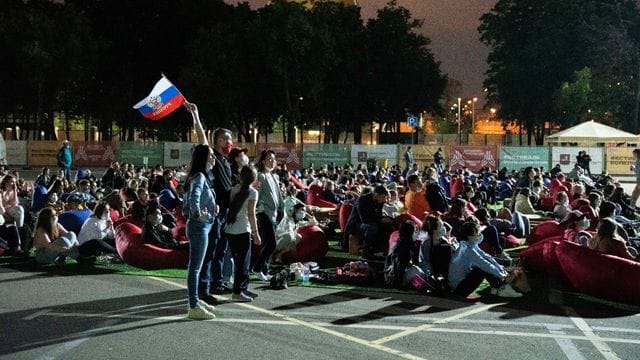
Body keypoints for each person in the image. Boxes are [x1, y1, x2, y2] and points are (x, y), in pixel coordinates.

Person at [182, 108, 218, 320]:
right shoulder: (200, 177)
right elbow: (193, 199)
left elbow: (203, 141)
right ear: (205, 159)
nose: (213, 156)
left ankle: (195, 300)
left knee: (197, 266)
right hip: (199, 226)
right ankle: (193, 306)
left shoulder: (200, 174)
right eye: (211, 155)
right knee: (195, 268)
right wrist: (198, 212)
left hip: (201, 224)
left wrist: (196, 116)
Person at [448, 221, 522, 298]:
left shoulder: (470, 245)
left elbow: (487, 257)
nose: (480, 235)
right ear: (469, 236)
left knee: (485, 266)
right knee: (482, 268)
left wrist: (501, 268)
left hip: (461, 283)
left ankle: (497, 287)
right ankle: (501, 287)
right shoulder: (468, 249)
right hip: (459, 288)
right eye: (477, 233)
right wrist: (501, 275)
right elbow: (484, 263)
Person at [225, 166, 261, 302]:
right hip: (243, 230)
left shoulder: (234, 189)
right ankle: (237, 291)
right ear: (254, 178)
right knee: (243, 263)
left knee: (239, 261)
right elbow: (251, 214)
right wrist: (256, 233)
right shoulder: (253, 193)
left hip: (231, 229)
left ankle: (242, 288)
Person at [33, 207, 113, 265]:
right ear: (47, 218)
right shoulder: (41, 230)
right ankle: (79, 258)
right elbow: (49, 246)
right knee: (63, 241)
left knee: (71, 234)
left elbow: (69, 234)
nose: (57, 216)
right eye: (54, 215)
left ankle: (76, 255)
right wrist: (66, 250)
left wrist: (77, 246)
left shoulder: (57, 225)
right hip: (42, 256)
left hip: (55, 251)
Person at [252, 150, 285, 280]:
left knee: (267, 243)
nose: (272, 161)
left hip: (275, 213)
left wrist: (281, 210)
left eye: (273, 159)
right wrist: (260, 210)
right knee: (271, 243)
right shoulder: (261, 176)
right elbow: (256, 196)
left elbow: (278, 196)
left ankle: (264, 269)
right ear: (263, 161)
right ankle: (257, 268)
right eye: (269, 159)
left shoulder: (274, 176)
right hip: (264, 213)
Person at [344, 185, 394, 259]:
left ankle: (381, 250)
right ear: (376, 195)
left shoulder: (379, 201)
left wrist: (385, 219)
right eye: (383, 197)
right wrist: (380, 220)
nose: (384, 200)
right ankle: (366, 252)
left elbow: (378, 215)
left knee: (389, 227)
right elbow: (364, 219)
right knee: (372, 227)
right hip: (356, 224)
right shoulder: (362, 200)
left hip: (371, 222)